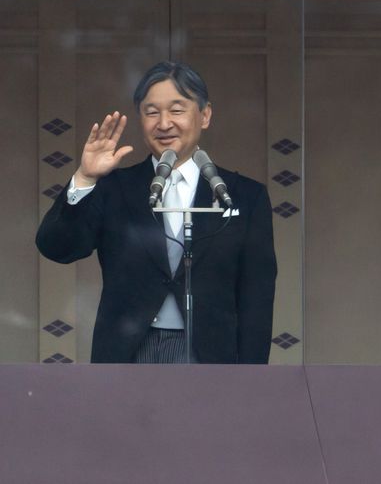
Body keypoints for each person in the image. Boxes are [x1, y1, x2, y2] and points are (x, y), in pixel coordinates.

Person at [36, 62, 277, 364]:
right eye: (152, 112)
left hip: (211, 355)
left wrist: (252, 378)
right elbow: (57, 247)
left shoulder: (243, 196)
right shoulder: (115, 189)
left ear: (204, 115)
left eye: (177, 110)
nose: (164, 123)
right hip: (129, 353)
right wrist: (85, 178)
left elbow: (257, 297)